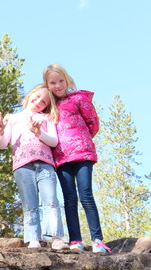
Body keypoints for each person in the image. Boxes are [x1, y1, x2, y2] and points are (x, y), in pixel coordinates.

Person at [0, 84, 69, 250]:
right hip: (22, 166)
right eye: (37, 97)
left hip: (45, 164)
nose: (39, 102)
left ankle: (56, 238)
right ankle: (33, 238)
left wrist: (38, 132)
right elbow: (2, 144)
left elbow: (54, 141)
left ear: (47, 106)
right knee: (29, 203)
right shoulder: (12, 118)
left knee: (51, 200)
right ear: (30, 94)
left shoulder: (45, 119)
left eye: (44, 102)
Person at [43, 63, 110, 253]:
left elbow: (93, 124)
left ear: (67, 80)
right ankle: (75, 241)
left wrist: (82, 140)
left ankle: (98, 240)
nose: (58, 86)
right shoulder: (49, 106)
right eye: (53, 83)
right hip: (61, 158)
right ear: (48, 85)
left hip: (82, 154)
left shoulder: (78, 98)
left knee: (86, 194)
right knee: (69, 198)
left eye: (61, 81)